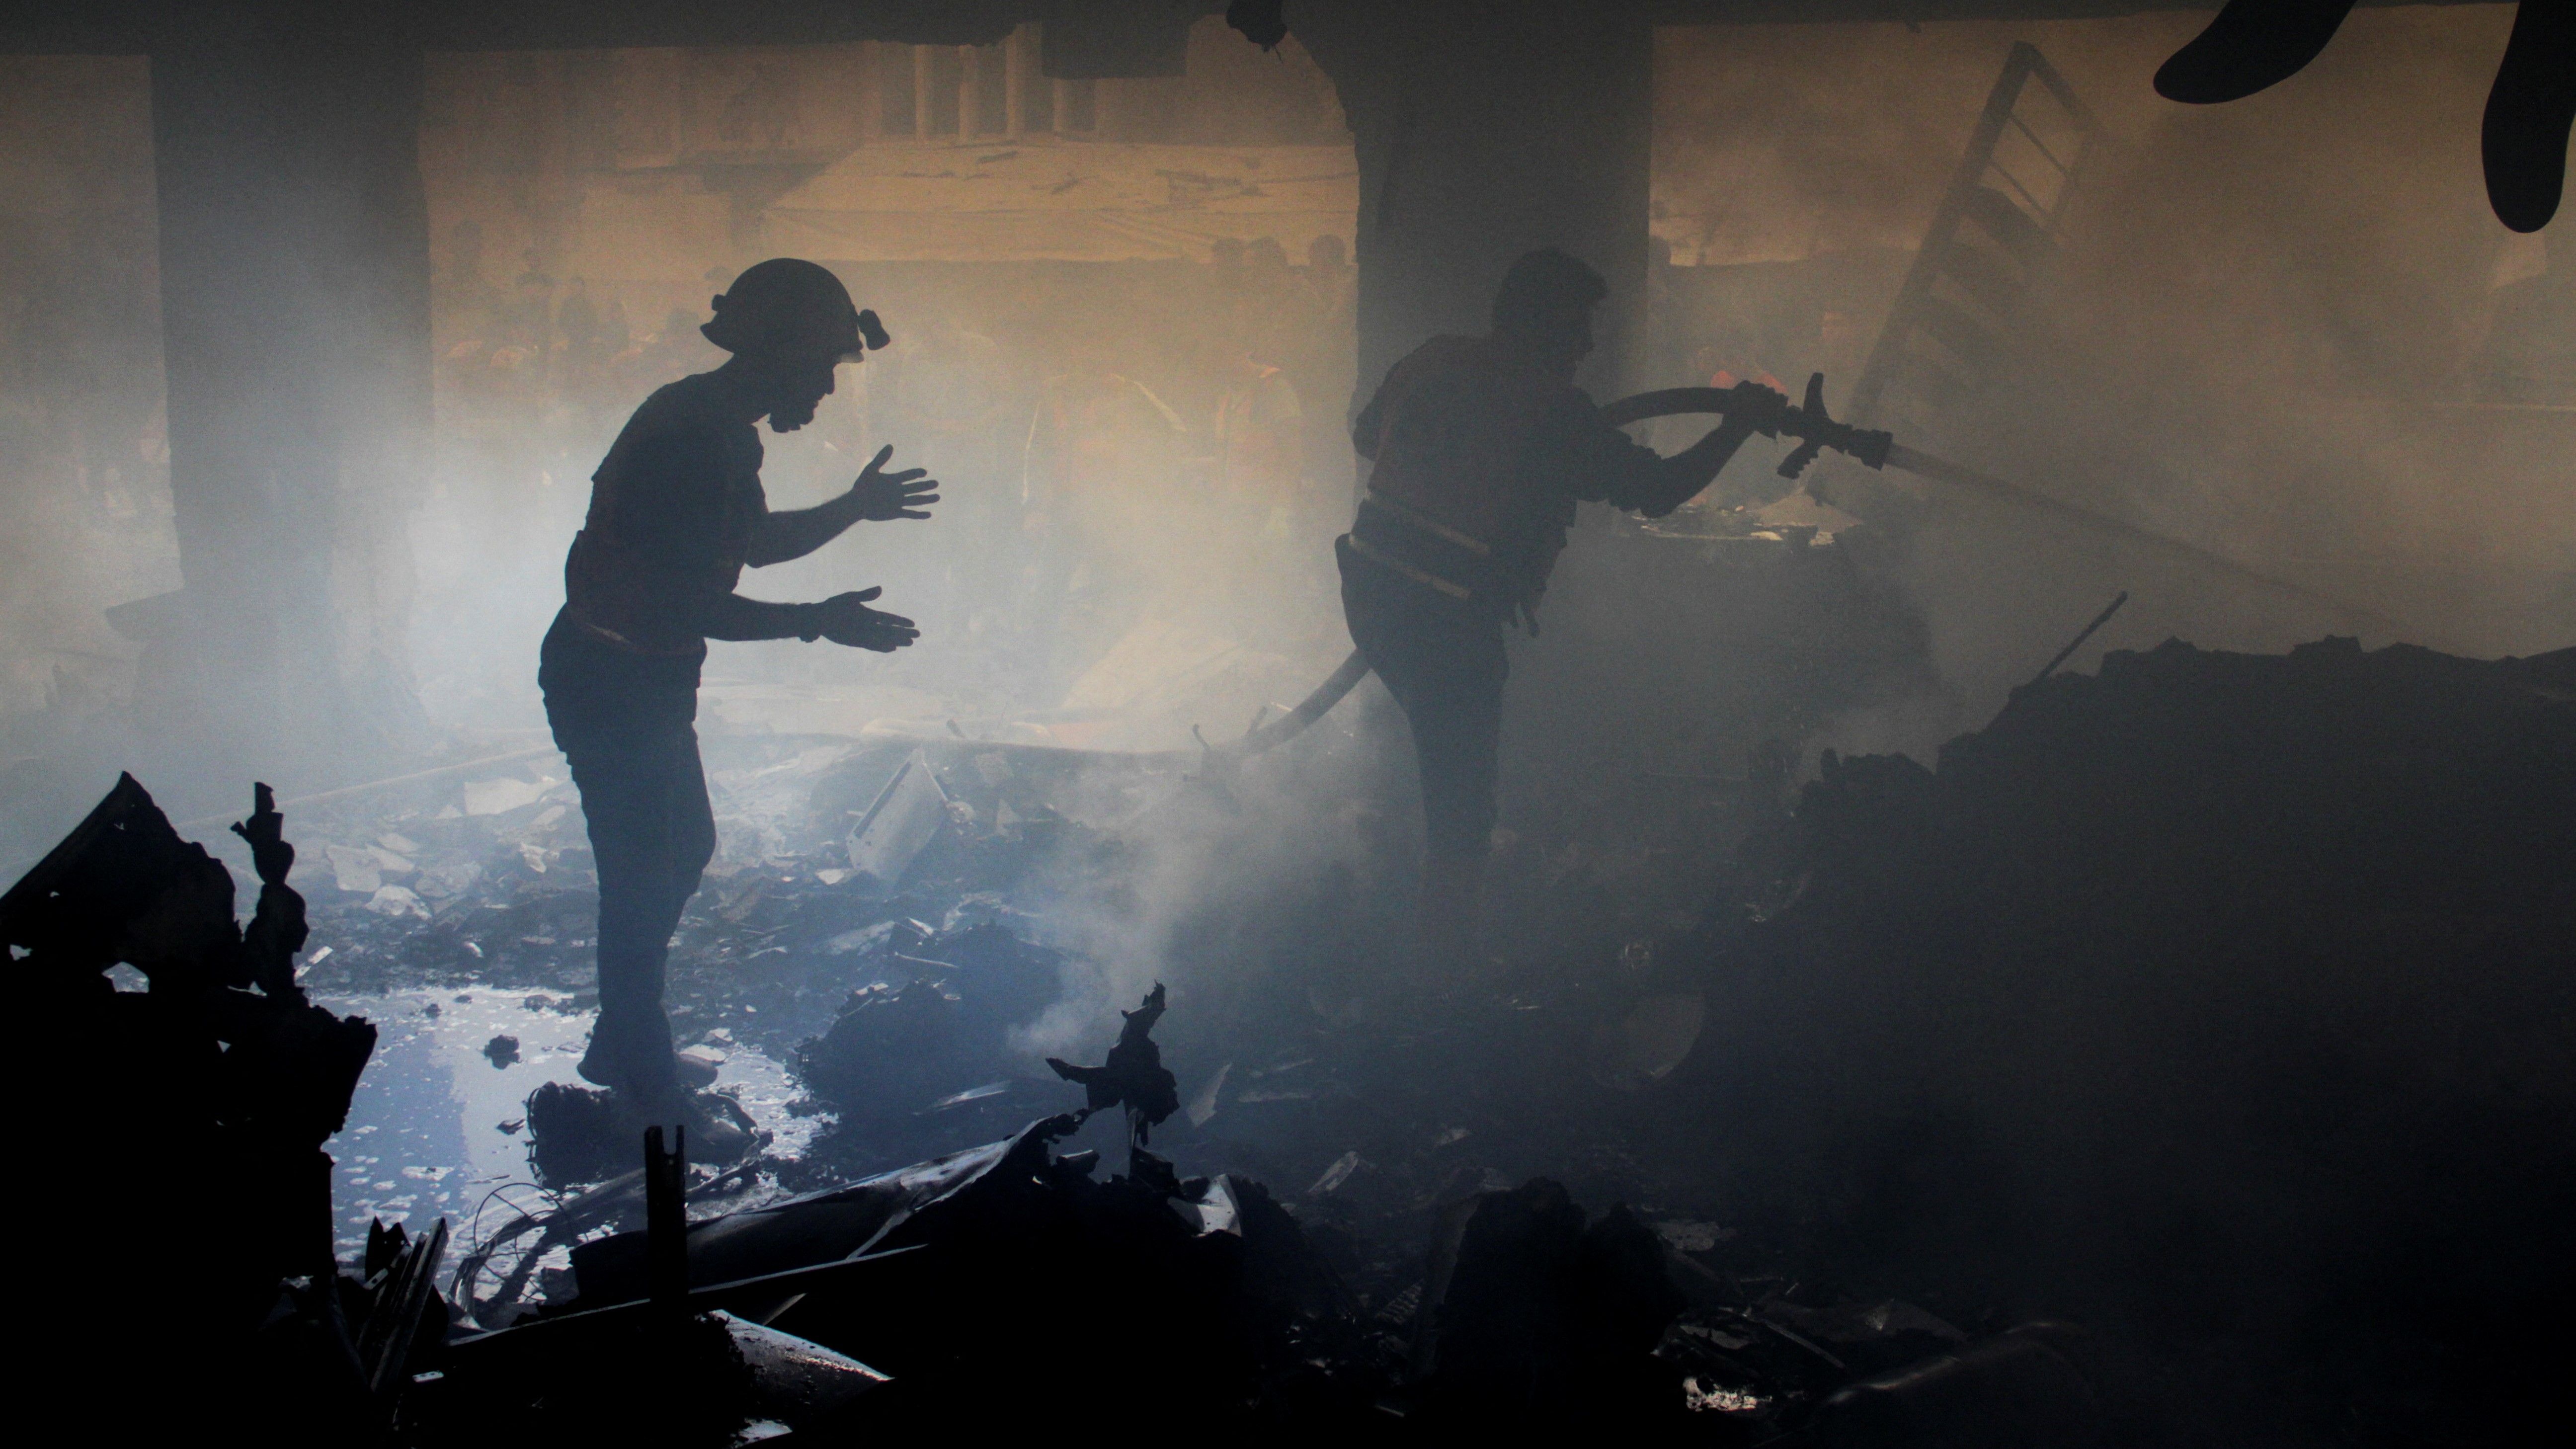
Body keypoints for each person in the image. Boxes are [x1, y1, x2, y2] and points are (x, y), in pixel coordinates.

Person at [540, 257, 937, 1150]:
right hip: (611, 677)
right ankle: (647, 1100)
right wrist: (817, 624)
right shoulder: (692, 439)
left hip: (642, 674)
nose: (830, 389)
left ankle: (625, 1044)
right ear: (781, 355)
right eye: (824, 367)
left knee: (683, 851)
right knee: (641, 881)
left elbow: (748, 543)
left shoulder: (719, 427)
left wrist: (853, 508)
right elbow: (692, 600)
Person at [1340, 247, 1787, 977]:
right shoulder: (1552, 410)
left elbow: (1367, 437)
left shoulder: (1434, 359)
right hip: (1447, 621)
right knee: (1461, 810)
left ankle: (1394, 901)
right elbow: (1658, 488)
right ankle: (1439, 984)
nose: (1586, 347)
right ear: (1542, 326)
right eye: (1576, 328)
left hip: (1370, 593)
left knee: (1429, 759)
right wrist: (1739, 423)